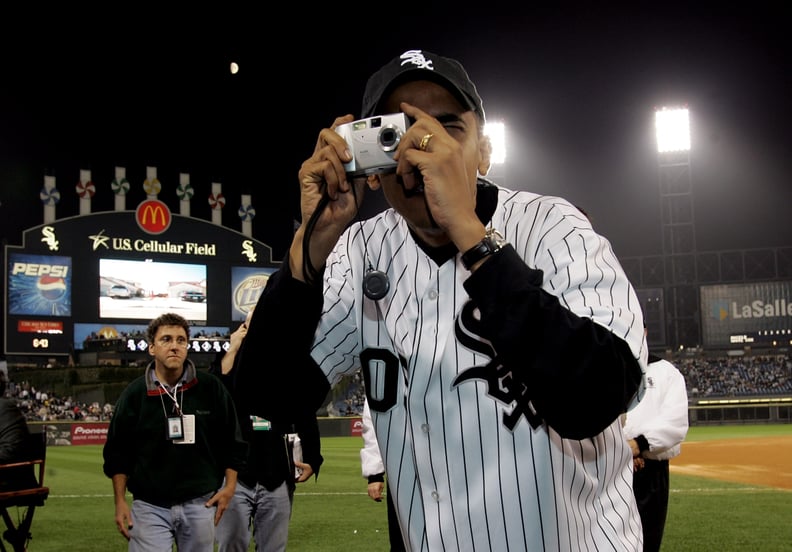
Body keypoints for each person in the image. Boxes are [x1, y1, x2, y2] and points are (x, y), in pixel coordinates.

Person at [236, 48, 648, 550]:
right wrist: (311, 245)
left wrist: (473, 236)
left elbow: (601, 395)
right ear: (369, 160)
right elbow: (268, 396)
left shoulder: (552, 226)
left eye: (446, 129)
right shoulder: (360, 250)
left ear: (484, 151)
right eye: (397, 133)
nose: (420, 150)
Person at [102, 312, 247, 550]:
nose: (174, 346)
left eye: (181, 340)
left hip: (201, 502)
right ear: (152, 348)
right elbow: (118, 453)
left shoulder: (210, 388)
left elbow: (233, 440)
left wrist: (230, 487)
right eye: (166, 339)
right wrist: (119, 501)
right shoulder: (135, 394)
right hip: (149, 506)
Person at [209, 308, 323, 552]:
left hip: (277, 474)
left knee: (273, 548)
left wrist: (313, 458)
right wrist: (232, 349)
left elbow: (305, 410)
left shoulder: (288, 364)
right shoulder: (229, 362)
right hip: (234, 476)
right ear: (244, 329)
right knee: (230, 546)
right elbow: (215, 399)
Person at [622, 328, 689, 552]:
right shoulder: (608, 366)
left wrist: (637, 445)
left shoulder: (666, 372)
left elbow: (675, 423)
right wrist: (622, 452)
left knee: (648, 540)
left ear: (645, 331)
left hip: (650, 471)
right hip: (611, 467)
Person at [359, 398, 405, 552]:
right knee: (402, 539)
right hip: (403, 468)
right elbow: (373, 419)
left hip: (450, 465)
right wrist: (375, 474)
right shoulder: (387, 374)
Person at [0, 372, 38, 492]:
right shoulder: (8, 405)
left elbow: (9, 450)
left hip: (10, 472)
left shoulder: (5, 406)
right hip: (19, 471)